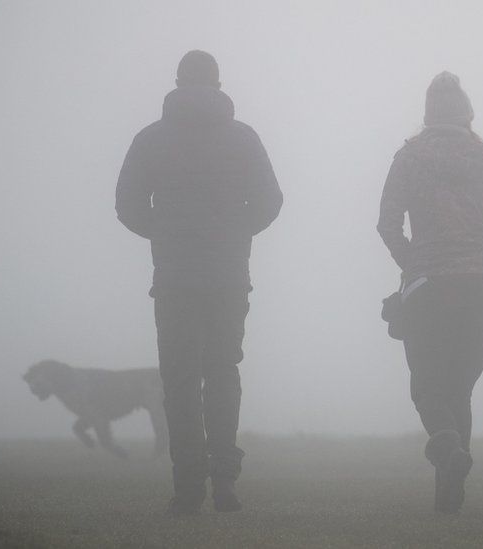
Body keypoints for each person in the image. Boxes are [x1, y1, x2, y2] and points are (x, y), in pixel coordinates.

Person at [115, 50, 282, 516]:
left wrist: (164, 232)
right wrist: (236, 230)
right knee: (223, 370)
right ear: (218, 83)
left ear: (177, 83)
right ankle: (225, 480)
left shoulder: (151, 139)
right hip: (229, 276)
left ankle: (187, 486)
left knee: (180, 380)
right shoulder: (243, 138)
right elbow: (271, 201)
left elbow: (126, 204)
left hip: (174, 278)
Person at [377, 71, 483, 514]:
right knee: (458, 392)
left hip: (428, 290)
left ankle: (449, 457)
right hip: (482, 288)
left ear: (427, 115)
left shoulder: (409, 157)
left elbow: (387, 225)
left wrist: (414, 264)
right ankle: (450, 500)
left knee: (427, 390)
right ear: (467, 113)